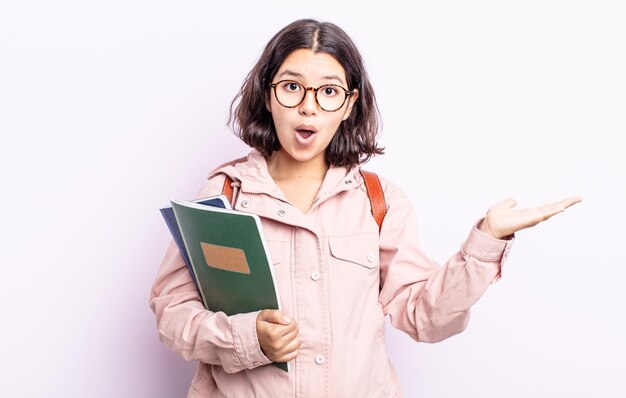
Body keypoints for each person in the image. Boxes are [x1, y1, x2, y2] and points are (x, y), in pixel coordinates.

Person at [149, 19, 581, 398]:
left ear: (350, 104)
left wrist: (486, 241)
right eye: (292, 86)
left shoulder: (380, 201)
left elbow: (425, 318)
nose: (308, 105)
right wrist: (249, 338)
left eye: (329, 91)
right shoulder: (225, 193)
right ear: (268, 94)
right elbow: (173, 313)